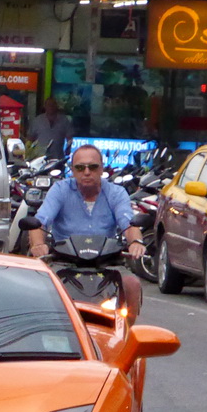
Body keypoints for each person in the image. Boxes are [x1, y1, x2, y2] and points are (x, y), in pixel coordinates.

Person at [28, 144, 144, 318]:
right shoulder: (60, 190)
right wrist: (38, 245)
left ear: (102, 168)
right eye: (80, 167)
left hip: (107, 263)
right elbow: (40, 222)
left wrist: (135, 242)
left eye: (93, 167)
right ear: (72, 170)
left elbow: (129, 224)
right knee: (39, 287)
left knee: (132, 285)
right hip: (64, 262)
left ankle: (126, 335)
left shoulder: (116, 193)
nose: (87, 172)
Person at [27, 97, 72, 161]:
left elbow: (69, 137)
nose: (51, 107)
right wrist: (29, 152)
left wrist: (68, 148)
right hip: (40, 158)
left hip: (57, 157)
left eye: (53, 105)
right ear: (45, 106)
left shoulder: (64, 120)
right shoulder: (38, 120)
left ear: (56, 106)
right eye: (49, 105)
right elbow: (30, 138)